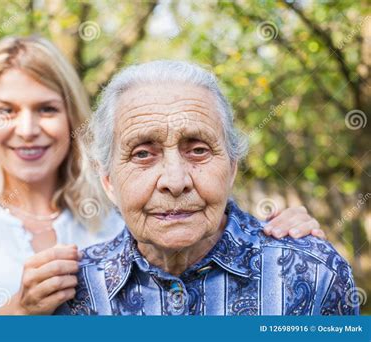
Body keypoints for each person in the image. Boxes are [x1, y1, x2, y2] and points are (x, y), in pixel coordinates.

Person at [0, 36, 325, 315]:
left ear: (72, 118)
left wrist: (282, 233)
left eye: (47, 109)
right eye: (7, 111)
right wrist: (16, 313)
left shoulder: (118, 206)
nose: (28, 128)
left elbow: (201, 216)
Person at [55, 60, 359, 315]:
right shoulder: (73, 292)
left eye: (198, 150)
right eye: (143, 154)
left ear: (231, 168)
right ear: (108, 181)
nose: (175, 182)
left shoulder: (313, 271)